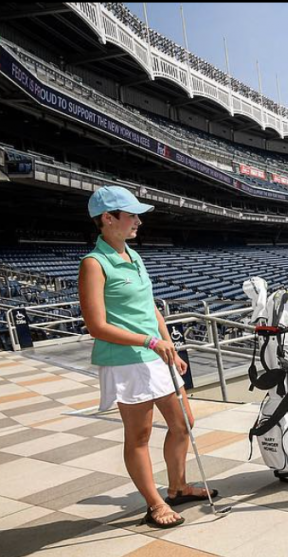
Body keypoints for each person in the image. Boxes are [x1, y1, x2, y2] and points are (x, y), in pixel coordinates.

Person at [78, 186, 217, 528]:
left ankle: (178, 486)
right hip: (126, 361)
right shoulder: (93, 264)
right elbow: (96, 326)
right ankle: (155, 504)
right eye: (131, 215)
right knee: (139, 437)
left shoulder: (133, 256)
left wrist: (169, 346)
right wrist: (151, 342)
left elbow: (150, 306)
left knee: (183, 422)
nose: (138, 221)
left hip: (155, 354)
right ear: (108, 219)